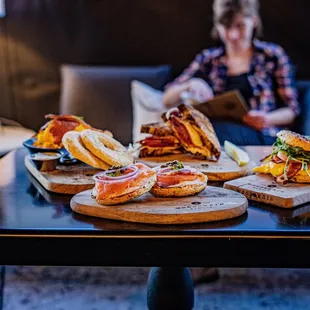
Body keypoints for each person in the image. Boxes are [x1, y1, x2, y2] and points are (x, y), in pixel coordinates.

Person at [163, 0, 300, 145]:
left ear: (253, 21)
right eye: (227, 27)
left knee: (208, 133)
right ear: (217, 26)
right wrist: (190, 84)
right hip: (216, 135)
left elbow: (292, 110)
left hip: (260, 135)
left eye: (240, 26)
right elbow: (166, 98)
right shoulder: (208, 59)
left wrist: (266, 119)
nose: (233, 35)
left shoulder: (272, 56)